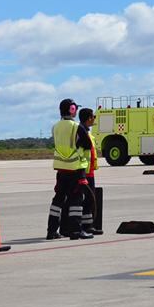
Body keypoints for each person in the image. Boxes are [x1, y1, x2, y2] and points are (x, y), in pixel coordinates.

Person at [47, 99, 92, 240]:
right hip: (75, 169)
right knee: (76, 201)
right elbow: (88, 145)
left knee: (58, 200)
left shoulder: (55, 127)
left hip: (61, 169)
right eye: (75, 108)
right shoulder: (76, 127)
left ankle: (51, 231)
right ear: (72, 109)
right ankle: (75, 231)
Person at [77, 108, 103, 235]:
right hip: (84, 172)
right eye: (93, 117)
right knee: (84, 199)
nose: (94, 119)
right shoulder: (82, 133)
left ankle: (88, 225)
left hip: (90, 171)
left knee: (89, 200)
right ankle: (83, 226)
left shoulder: (88, 133)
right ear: (88, 118)